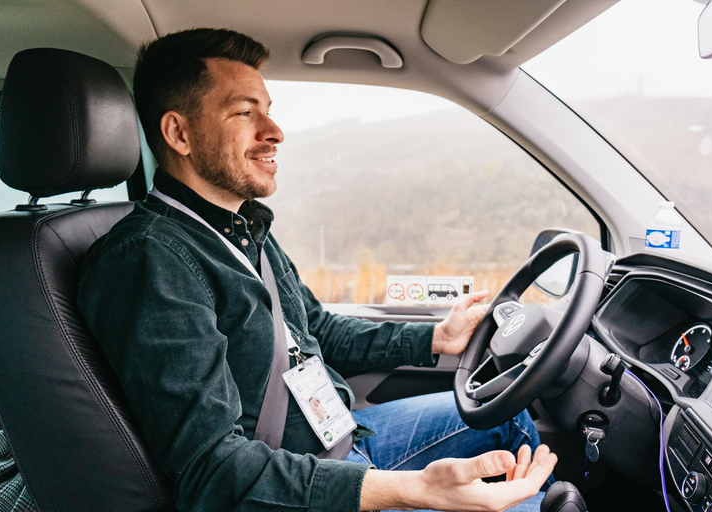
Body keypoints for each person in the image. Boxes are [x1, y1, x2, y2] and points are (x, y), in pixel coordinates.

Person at [78, 28, 557, 512]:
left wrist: (437, 338)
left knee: (507, 413)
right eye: (245, 112)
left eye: (268, 109)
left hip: (345, 443)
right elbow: (213, 473)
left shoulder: (241, 228)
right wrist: (411, 490)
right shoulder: (148, 261)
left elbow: (320, 330)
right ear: (179, 133)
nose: (274, 131)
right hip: (299, 489)